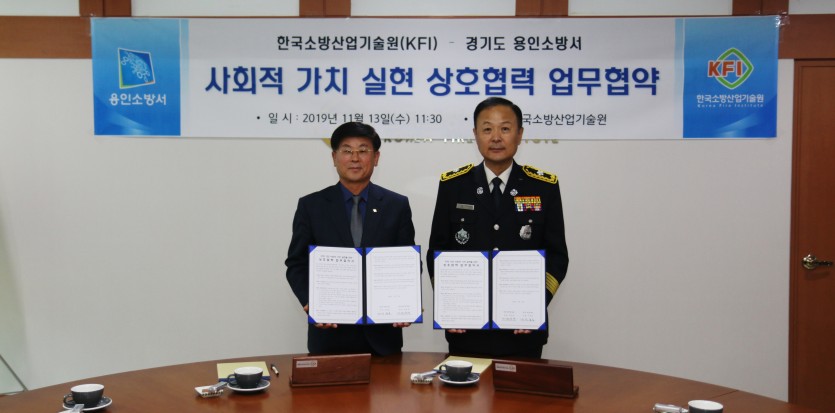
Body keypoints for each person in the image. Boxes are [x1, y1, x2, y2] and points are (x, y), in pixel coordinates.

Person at [427, 97, 569, 358]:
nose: (496, 137)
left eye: (505, 128)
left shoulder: (543, 187)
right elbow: (437, 251)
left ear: (520, 134)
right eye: (487, 129)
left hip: (522, 331)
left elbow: (557, 256)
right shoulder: (453, 186)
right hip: (467, 331)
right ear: (475, 134)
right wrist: (451, 305)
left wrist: (535, 305)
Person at [286, 122, 417, 356]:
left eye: (363, 150)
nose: (355, 158)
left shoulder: (396, 205)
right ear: (334, 157)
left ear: (376, 158)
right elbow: (297, 263)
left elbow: (407, 262)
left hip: (383, 337)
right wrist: (310, 302)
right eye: (347, 150)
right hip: (329, 335)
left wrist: (405, 303)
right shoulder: (311, 206)